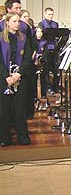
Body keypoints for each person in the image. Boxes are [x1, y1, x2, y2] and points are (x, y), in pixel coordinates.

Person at [0, 12, 33, 146]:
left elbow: (27, 58)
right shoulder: (1, 38)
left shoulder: (23, 38)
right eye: (14, 21)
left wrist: (18, 74)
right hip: (4, 79)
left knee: (20, 110)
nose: (17, 24)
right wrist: (6, 76)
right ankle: (5, 138)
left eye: (18, 21)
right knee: (4, 110)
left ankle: (23, 138)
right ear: (7, 23)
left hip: (20, 78)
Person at [38, 7, 59, 93]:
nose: (50, 16)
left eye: (52, 14)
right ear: (45, 14)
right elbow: (40, 35)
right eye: (49, 14)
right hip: (46, 48)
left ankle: (55, 86)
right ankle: (47, 87)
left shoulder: (55, 24)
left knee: (55, 69)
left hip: (54, 48)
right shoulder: (41, 24)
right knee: (46, 69)